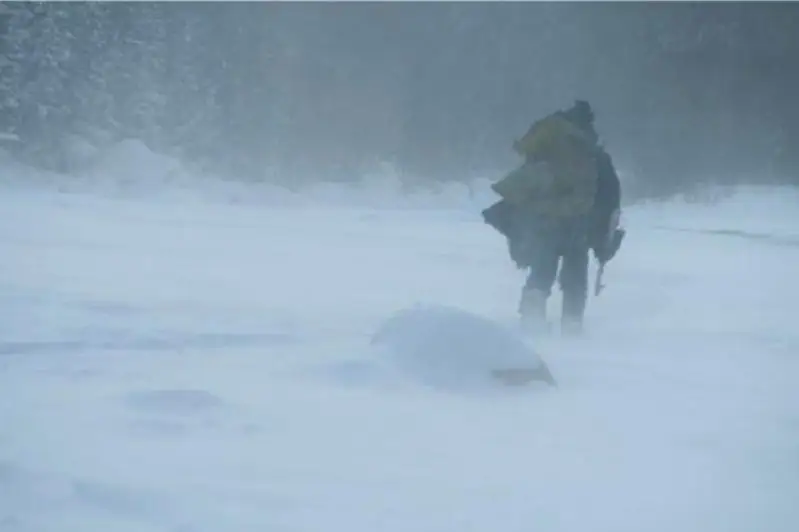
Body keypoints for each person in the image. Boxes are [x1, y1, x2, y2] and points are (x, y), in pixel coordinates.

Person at [482, 100, 623, 335]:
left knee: (542, 266)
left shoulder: (546, 148)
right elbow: (609, 194)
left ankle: (532, 317)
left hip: (543, 220)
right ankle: (572, 322)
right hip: (580, 221)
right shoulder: (592, 152)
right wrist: (603, 232)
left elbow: (528, 184)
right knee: (575, 273)